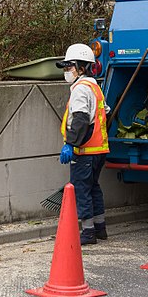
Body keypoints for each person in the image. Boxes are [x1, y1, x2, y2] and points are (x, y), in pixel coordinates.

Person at [56, 43, 110, 246]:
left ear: (82, 67)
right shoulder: (95, 87)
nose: (66, 71)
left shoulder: (80, 90)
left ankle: (88, 233)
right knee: (93, 187)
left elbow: (79, 119)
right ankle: (100, 227)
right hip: (99, 150)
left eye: (69, 67)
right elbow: (106, 111)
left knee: (81, 189)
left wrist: (70, 144)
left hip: (85, 151)